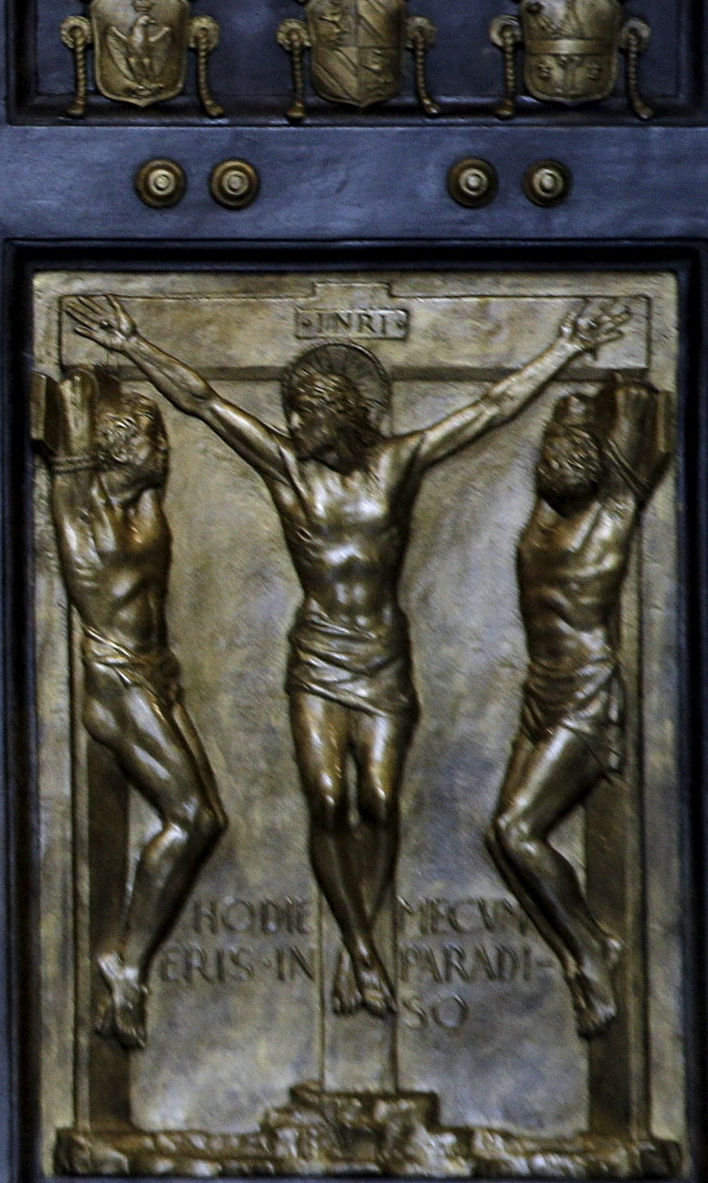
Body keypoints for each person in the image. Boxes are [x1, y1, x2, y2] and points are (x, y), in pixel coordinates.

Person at [67, 293, 625, 1018]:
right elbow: (203, 402)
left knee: (382, 799)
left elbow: (489, 410)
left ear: (340, 414)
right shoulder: (287, 471)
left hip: (382, 656)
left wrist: (564, 353)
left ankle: (365, 951)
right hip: (318, 655)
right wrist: (134, 344)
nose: (294, 425)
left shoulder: (398, 465)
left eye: (305, 412)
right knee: (329, 801)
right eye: (291, 412)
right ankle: (361, 951)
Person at [38, 367, 228, 1049]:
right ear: (118, 448)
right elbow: (66, 468)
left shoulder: (143, 507)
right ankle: (127, 962)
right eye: (151, 437)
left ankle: (129, 958)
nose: (165, 447)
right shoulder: (85, 517)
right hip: (120, 686)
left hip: (158, 674)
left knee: (207, 816)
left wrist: (105, 383)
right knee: (196, 815)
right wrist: (74, 413)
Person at [486, 379, 668, 1036]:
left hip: (586, 694)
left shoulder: (610, 515)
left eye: (572, 454)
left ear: (596, 465)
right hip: (543, 691)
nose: (554, 463)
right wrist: (570, 411)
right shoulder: (543, 519)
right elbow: (564, 440)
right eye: (550, 454)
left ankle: (591, 950)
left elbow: (643, 444)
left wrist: (623, 393)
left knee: (515, 829)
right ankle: (579, 947)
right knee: (502, 837)